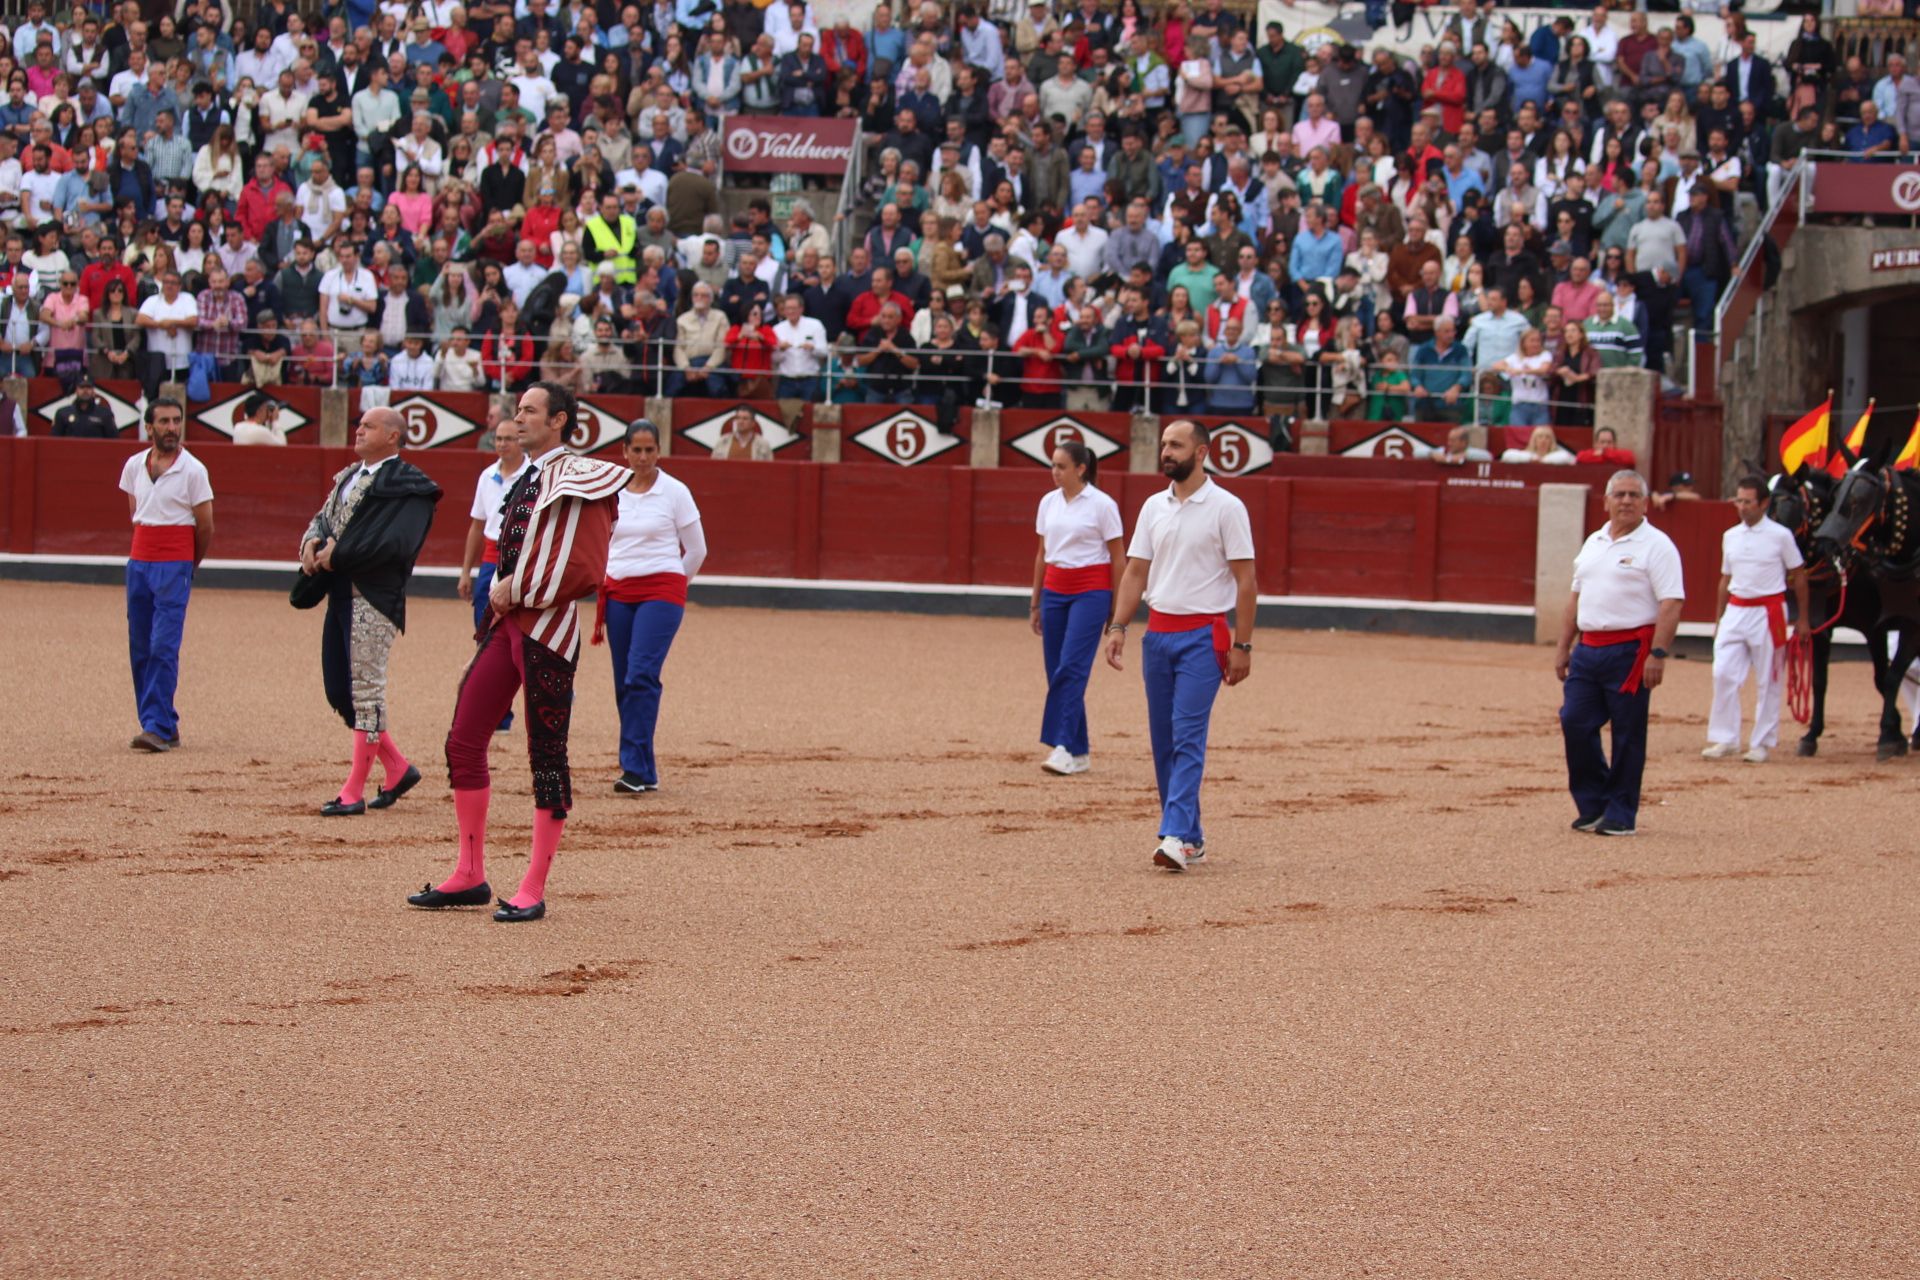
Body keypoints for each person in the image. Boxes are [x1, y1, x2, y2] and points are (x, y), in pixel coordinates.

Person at [412, 382, 630, 923]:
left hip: (546, 628)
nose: (519, 418)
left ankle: (533, 885)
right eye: (518, 410)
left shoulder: (581, 474)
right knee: (463, 739)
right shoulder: (524, 477)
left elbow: (584, 562)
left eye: (530, 411)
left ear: (559, 421)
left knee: (546, 754)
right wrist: (499, 606)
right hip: (508, 624)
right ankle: (469, 873)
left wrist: (520, 589)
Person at [1102, 420, 1256, 872]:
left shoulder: (1227, 507)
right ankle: (1190, 835)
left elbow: (1246, 581)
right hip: (1159, 635)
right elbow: (1134, 573)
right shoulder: (1154, 506)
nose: (1166, 452)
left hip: (1205, 636)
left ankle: (1172, 834)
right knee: (1164, 739)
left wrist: (1243, 644)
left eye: (1176, 445)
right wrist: (1118, 627)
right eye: (1164, 444)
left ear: (1202, 452)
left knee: (1188, 735)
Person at [297, 407, 441, 817]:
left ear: (394, 437)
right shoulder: (346, 477)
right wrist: (310, 544)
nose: (358, 429)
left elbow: (396, 544)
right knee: (340, 690)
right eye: (359, 424)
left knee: (366, 690)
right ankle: (396, 768)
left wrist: (336, 554)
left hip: (374, 597)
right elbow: (322, 520)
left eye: (369, 426)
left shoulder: (410, 486)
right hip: (340, 592)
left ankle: (353, 791)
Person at [1554, 469, 1684, 837]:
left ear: (1645, 503)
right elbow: (1575, 599)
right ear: (1606, 501)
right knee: (1575, 722)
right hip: (1589, 648)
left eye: (1633, 495)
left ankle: (1621, 812)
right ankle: (1593, 803)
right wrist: (1564, 647)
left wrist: (1658, 653)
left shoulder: (1657, 545)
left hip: (1631, 652)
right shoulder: (1593, 542)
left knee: (1627, 733)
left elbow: (1672, 602)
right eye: (1619, 494)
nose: (1626, 501)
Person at [592, 421, 707, 795]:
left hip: (661, 590)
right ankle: (644, 767)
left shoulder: (675, 491)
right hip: (619, 591)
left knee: (640, 675)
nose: (642, 457)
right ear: (624, 452)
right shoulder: (612, 491)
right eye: (636, 450)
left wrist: (675, 583)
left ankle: (635, 769)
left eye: (649, 450)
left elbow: (697, 550)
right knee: (624, 681)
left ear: (659, 451)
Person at [119, 398, 212, 753]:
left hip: (175, 563)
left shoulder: (193, 470)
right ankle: (161, 723)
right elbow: (136, 514)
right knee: (140, 643)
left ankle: (156, 725)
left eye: (177, 420)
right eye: (165, 421)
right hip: (139, 562)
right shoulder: (133, 465)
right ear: (149, 427)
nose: (172, 427)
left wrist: (189, 564)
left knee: (163, 645)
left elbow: (205, 526)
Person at [1030, 439, 1124, 777]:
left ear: (1080, 469)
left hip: (1091, 591)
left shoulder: (1102, 505)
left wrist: (1116, 608)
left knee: (1071, 667)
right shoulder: (1048, 503)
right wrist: (1035, 601)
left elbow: (1118, 556)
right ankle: (1079, 751)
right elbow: (1042, 553)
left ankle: (1063, 746)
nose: (1054, 472)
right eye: (1053, 465)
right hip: (1055, 590)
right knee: (1057, 671)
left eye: (1061, 466)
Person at [1704, 476, 1810, 765]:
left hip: (1769, 611)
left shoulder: (1780, 536)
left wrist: (1802, 619)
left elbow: (1798, 575)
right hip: (1736, 610)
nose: (1742, 507)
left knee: (1769, 679)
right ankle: (1726, 738)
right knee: (1722, 672)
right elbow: (1725, 578)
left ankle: (1761, 742)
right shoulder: (1731, 536)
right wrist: (1719, 618)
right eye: (1739, 500)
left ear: (1764, 504)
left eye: (1748, 501)